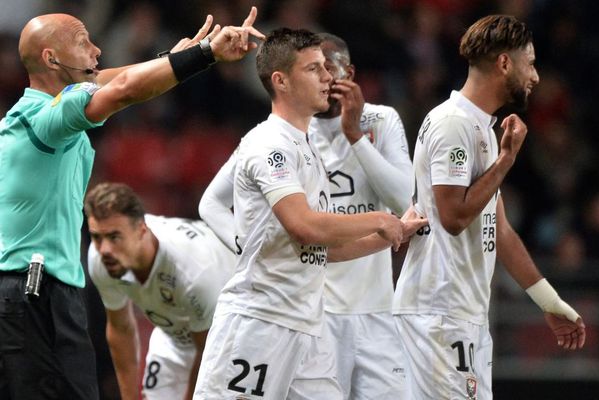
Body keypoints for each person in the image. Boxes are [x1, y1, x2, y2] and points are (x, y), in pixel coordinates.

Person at [0, 9, 264, 400]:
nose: (97, 49)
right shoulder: (46, 120)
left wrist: (170, 62)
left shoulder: (33, 113)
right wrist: (204, 55)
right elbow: (121, 88)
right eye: (82, 42)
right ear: (51, 59)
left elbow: (106, 80)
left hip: (31, 294)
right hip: (34, 294)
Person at [194, 28, 427, 399]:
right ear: (281, 81)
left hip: (307, 325)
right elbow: (304, 226)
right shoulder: (269, 144)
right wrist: (380, 220)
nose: (327, 77)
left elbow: (325, 250)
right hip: (260, 321)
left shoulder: (307, 147)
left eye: (327, 68)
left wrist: (393, 232)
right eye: (314, 69)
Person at [392, 14, 586, 399]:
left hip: (463, 314)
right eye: (530, 64)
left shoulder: (481, 128)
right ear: (504, 63)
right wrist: (505, 162)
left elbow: (497, 229)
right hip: (438, 311)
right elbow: (453, 216)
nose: (535, 77)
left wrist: (549, 302)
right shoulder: (453, 124)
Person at [85, 182, 235, 400]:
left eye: (115, 237)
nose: (105, 249)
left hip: (230, 338)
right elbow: (121, 328)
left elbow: (208, 354)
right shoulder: (102, 260)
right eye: (97, 237)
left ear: (141, 231)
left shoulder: (193, 271)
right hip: (174, 334)